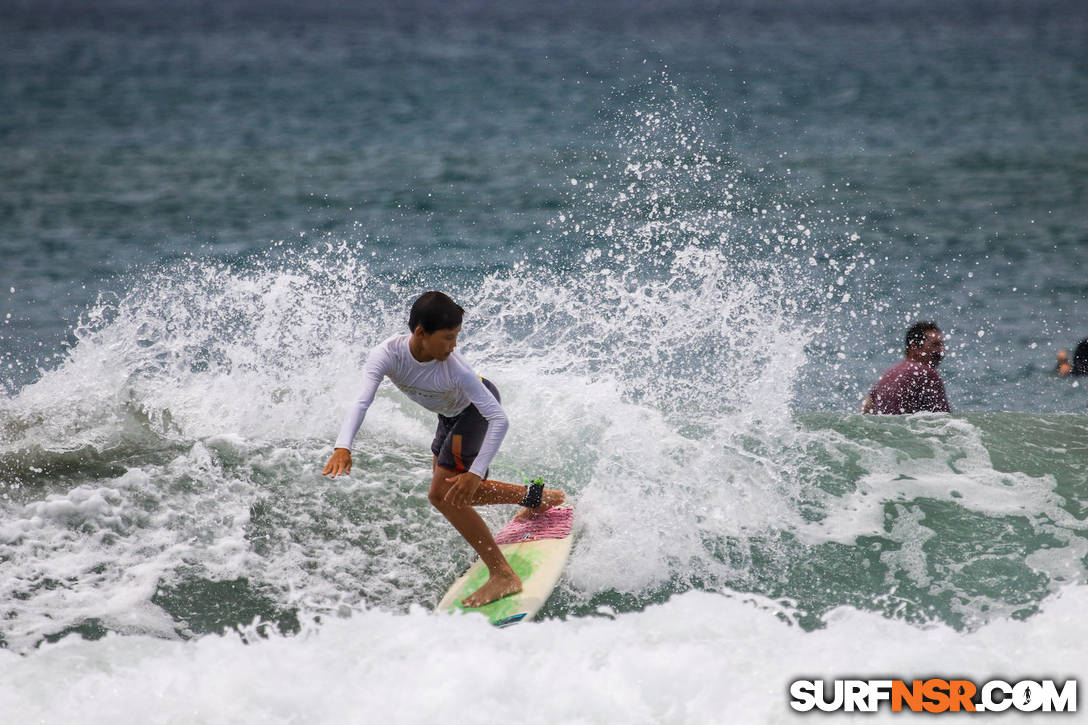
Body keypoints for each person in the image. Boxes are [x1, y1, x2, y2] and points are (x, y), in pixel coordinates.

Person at [323, 291, 564, 607]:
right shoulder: (386, 355)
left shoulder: (455, 367)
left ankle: (503, 575)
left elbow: (498, 420)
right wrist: (343, 446)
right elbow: (362, 400)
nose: (454, 346)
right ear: (420, 333)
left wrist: (476, 472)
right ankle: (539, 498)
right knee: (458, 494)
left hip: (474, 411)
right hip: (449, 416)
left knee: (443, 495)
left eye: (456, 337)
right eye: (448, 338)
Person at [861, 321, 951, 415]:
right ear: (914, 347)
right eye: (935, 345)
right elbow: (943, 418)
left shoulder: (889, 375)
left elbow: (866, 408)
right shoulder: (926, 373)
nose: (941, 350)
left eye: (941, 345)